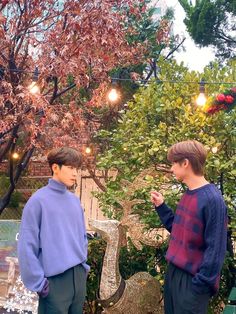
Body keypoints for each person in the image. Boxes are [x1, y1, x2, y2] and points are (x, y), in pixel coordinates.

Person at [151, 140, 227, 314]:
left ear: (185, 163)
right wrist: (162, 207)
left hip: (192, 282)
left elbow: (216, 251)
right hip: (174, 276)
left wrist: (200, 286)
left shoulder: (213, 200)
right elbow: (180, 231)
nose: (171, 169)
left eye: (173, 163)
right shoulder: (189, 194)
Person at [18, 147, 89, 314]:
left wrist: (83, 268)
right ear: (55, 167)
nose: (75, 173)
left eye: (76, 169)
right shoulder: (38, 201)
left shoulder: (74, 201)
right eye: (70, 168)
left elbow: (82, 237)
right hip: (54, 283)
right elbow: (26, 246)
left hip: (78, 278)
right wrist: (39, 283)